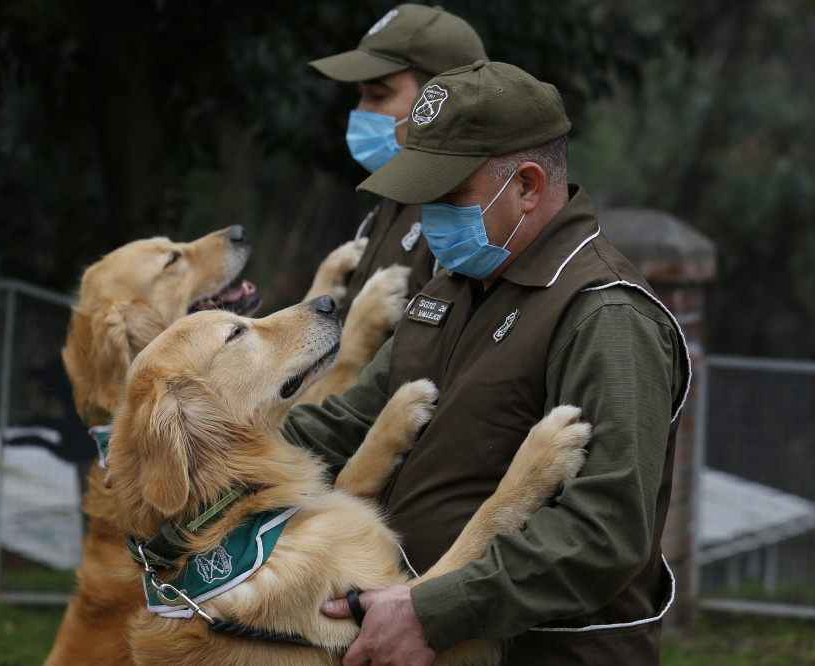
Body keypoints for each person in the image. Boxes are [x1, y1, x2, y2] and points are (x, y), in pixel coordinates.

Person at [283, 60, 691, 665]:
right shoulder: (451, 286)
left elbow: (603, 533)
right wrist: (209, 455)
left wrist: (434, 611)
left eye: (448, 197)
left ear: (526, 185)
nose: (428, 220)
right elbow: (348, 423)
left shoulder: (605, 316)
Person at [308, 4, 487, 321]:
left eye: (378, 96)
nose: (361, 111)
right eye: (360, 95)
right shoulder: (387, 206)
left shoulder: (468, 222)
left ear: (440, 101)